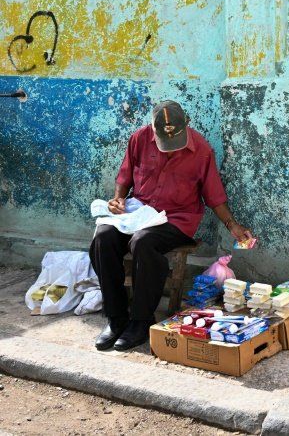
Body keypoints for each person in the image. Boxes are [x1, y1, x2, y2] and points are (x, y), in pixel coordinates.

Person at [90, 100, 252, 351]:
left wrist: (232, 225)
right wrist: (119, 199)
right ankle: (116, 317)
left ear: (186, 124)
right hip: (140, 211)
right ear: (153, 129)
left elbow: (214, 196)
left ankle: (141, 320)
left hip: (177, 218)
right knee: (103, 236)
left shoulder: (201, 150)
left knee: (143, 242)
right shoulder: (139, 138)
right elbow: (125, 176)